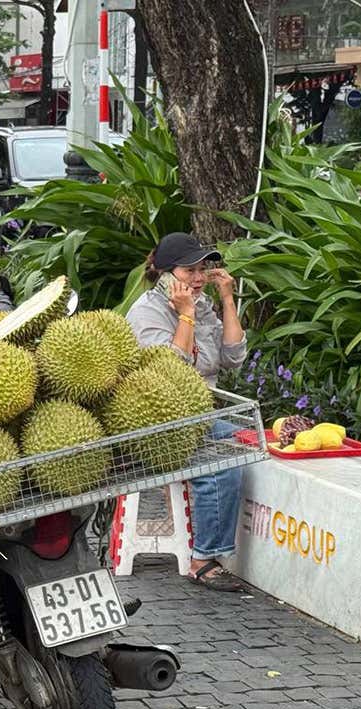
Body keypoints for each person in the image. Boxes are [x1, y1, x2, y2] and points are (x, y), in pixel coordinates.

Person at [125, 232, 248, 592]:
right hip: (163, 420)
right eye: (189, 270)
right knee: (221, 464)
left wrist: (227, 300)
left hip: (200, 414)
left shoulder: (203, 304)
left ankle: (208, 543)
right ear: (165, 275)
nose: (198, 278)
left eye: (202, 269)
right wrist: (186, 316)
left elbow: (233, 357)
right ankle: (203, 559)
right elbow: (171, 369)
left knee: (248, 441)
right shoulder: (146, 313)